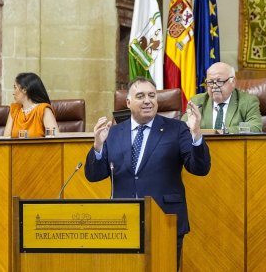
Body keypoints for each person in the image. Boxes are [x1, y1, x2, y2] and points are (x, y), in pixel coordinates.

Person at [84, 76, 211, 270]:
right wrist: (98, 146)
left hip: (165, 219)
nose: (147, 100)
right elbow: (94, 175)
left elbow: (200, 169)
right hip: (123, 223)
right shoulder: (114, 133)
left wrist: (196, 135)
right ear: (128, 102)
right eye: (141, 96)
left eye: (152, 95)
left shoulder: (176, 129)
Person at [182, 62, 262, 133]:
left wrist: (224, 131)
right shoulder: (197, 101)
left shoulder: (248, 101)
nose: (214, 86)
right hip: (203, 147)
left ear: (233, 82)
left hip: (234, 147)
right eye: (210, 82)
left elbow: (255, 127)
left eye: (219, 81)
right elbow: (182, 128)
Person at [4, 72, 59, 138]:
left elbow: (55, 139)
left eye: (15, 88)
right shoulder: (14, 109)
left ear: (24, 90)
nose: (13, 93)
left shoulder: (43, 109)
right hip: (16, 148)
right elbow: (6, 138)